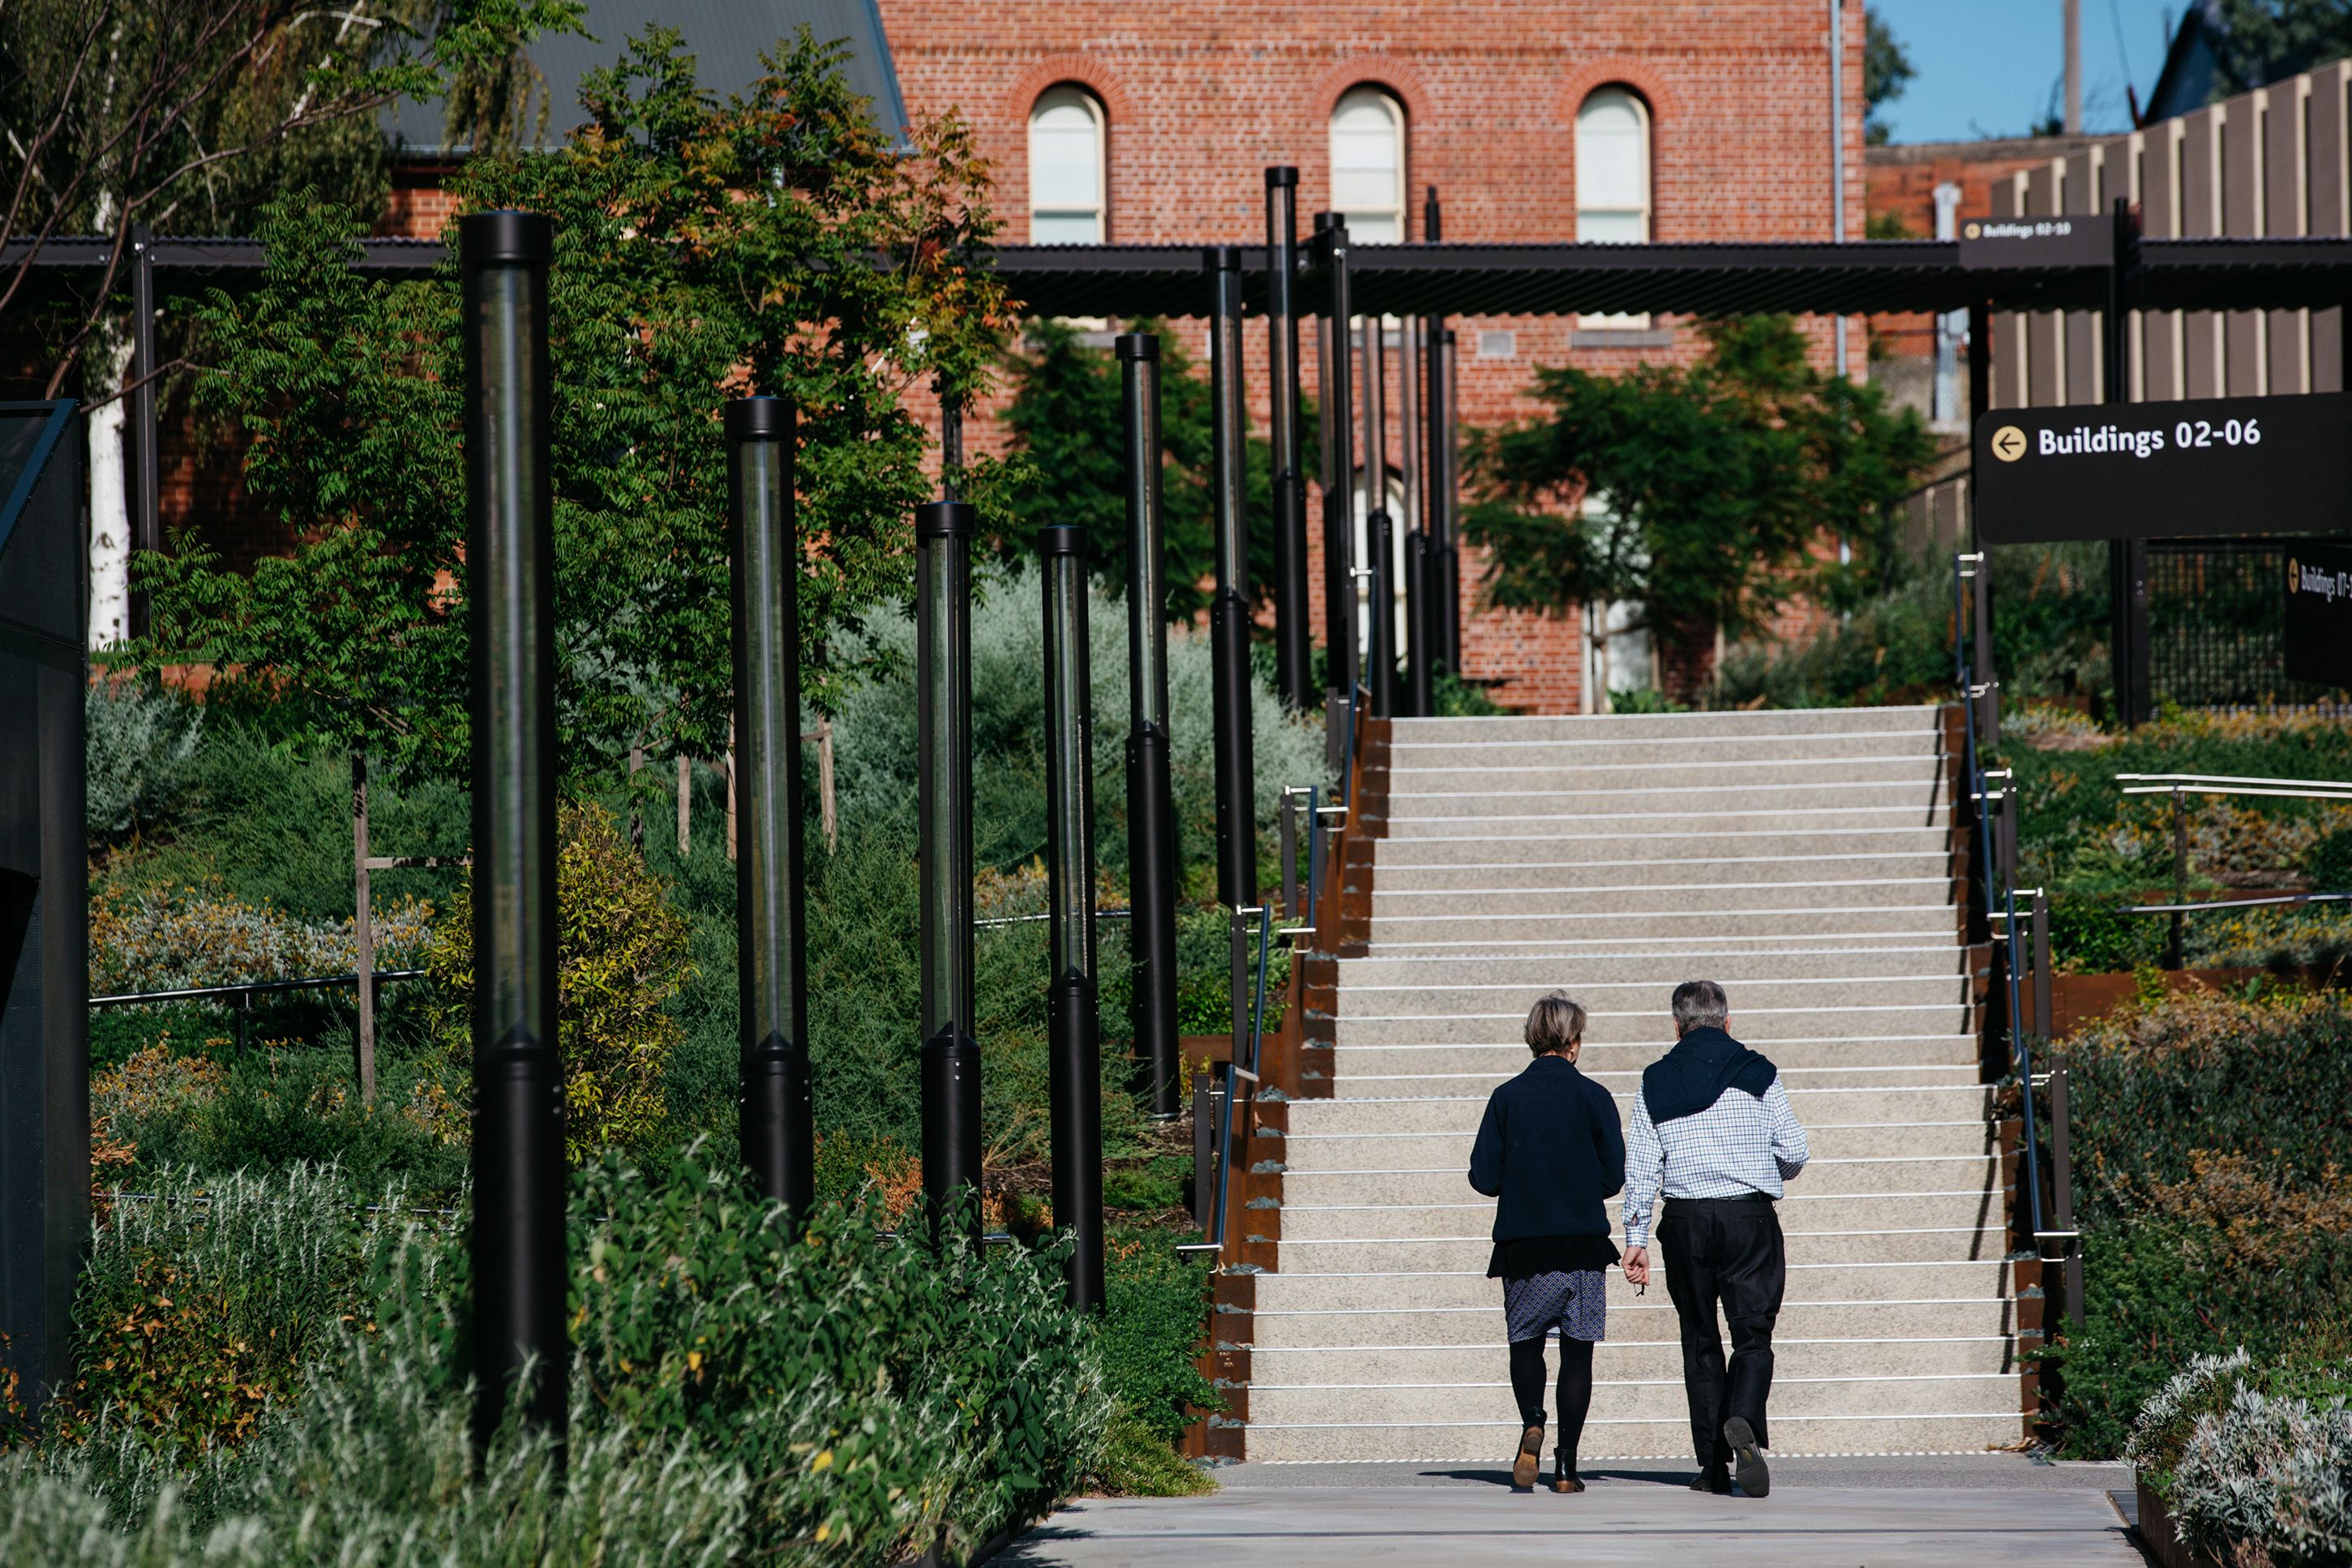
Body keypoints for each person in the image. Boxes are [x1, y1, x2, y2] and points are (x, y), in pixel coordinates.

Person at [1621, 979, 1809, 1498]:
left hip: (1685, 1223)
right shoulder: (1758, 1072)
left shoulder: (1656, 1079)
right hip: (1749, 1219)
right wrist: (1754, 1168)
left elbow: (1640, 1167)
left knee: (1700, 1341)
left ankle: (1711, 1469)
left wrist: (1635, 1237)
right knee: (1753, 1335)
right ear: (1728, 1022)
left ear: (1677, 1026)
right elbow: (1795, 1151)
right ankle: (1743, 1416)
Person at [1467, 992, 1625, 1494]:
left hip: (1524, 1246)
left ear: (1533, 1040)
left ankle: (1532, 1421)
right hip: (1582, 1245)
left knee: (1526, 1344)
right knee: (1578, 1356)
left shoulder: (1506, 1097)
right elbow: (1614, 1176)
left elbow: (1483, 1177)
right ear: (1574, 1043)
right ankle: (1566, 1467)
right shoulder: (1595, 1096)